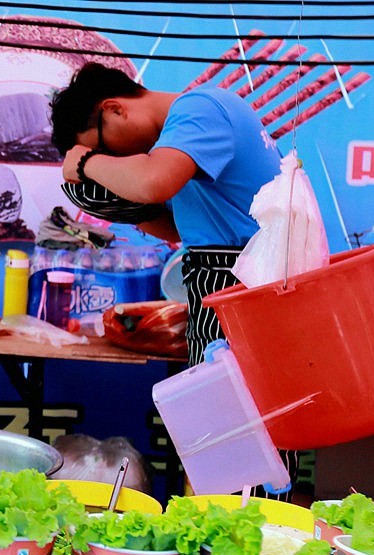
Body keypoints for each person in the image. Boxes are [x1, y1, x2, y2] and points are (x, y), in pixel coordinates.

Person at [50, 64, 296, 500]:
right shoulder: (177, 144)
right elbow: (179, 227)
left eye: (102, 146)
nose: (109, 161)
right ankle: (233, 548)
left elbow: (152, 181)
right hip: (223, 285)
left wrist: (86, 163)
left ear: (114, 109)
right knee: (223, 446)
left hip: (247, 291)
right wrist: (126, 209)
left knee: (246, 446)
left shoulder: (198, 109)